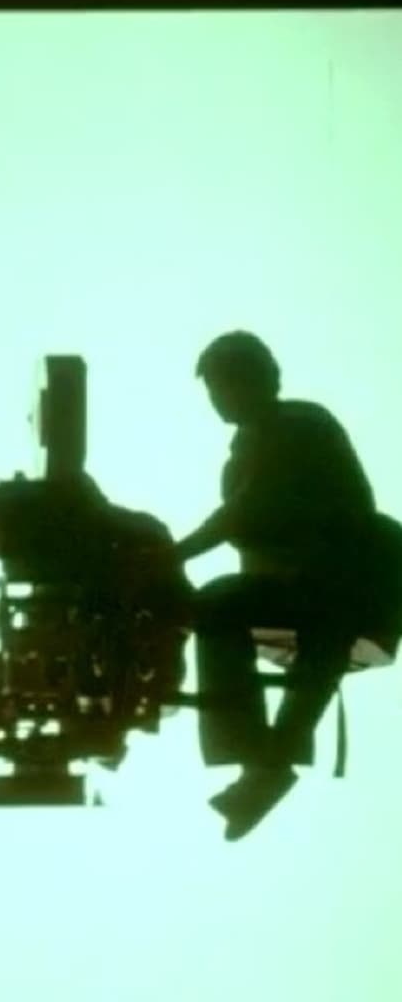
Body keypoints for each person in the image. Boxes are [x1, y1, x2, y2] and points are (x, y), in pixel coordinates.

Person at [171, 330, 400, 840]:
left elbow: (245, 513)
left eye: (227, 384)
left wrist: (172, 555)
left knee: (219, 603)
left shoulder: (297, 425)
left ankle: (265, 761)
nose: (219, 398)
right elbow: (251, 534)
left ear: (262, 380)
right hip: (308, 597)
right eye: (214, 389)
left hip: (342, 591)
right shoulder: (247, 448)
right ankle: (263, 762)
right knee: (214, 606)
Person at [0, 472, 193, 766]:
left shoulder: (138, 534)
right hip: (103, 667)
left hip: (141, 657)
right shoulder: (73, 556)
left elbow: (176, 602)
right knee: (4, 657)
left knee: (82, 656)